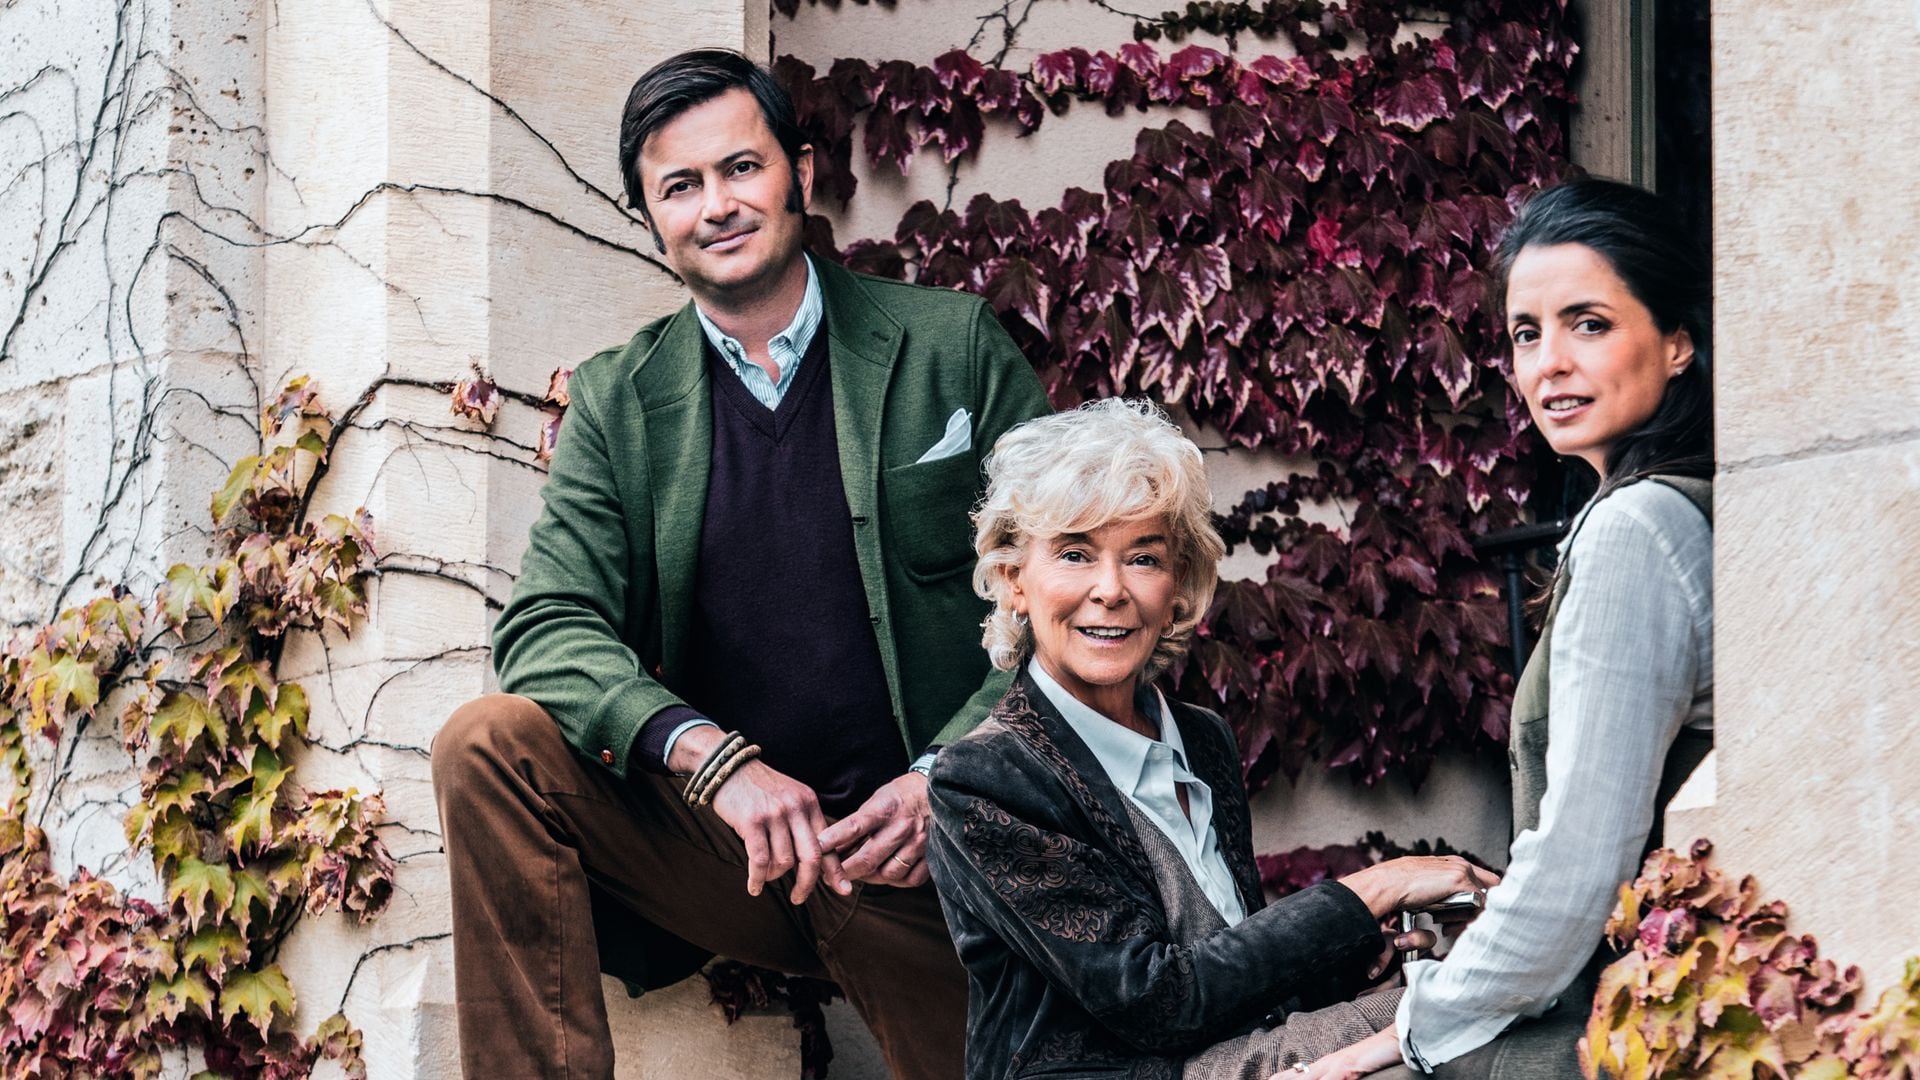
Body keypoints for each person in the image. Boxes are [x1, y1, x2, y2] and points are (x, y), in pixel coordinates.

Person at [429, 49, 1050, 1078]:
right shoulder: (621, 402)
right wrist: (712, 762)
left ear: (799, 174)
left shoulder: (953, 348)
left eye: (740, 169)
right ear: (651, 217)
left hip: (933, 852)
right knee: (490, 745)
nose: (716, 204)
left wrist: (953, 776)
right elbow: (545, 627)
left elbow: (1069, 602)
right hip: (742, 857)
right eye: (680, 187)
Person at [925, 399, 1499, 1080]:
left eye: (1143, 558)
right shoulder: (984, 777)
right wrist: (1374, 887)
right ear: (1016, 581)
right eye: (1075, 554)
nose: (1110, 590)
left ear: (1178, 586)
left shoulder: (1201, 737)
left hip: (1227, 1054)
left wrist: (1349, 957)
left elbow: (1229, 969)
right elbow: (1156, 1001)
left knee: (1475, 1001)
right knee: (1454, 1021)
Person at [1301, 179, 1716, 1078]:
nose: (1548, 364)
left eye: (1589, 323)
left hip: (1622, 1025)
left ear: (1677, 340)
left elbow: (1579, 868)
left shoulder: (1638, 529)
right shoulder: (1683, 507)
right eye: (1527, 333)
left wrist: (1397, 1040)